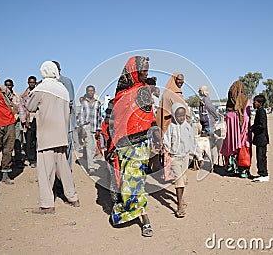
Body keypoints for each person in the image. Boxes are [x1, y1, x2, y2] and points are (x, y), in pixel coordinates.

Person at [109, 56, 161, 237]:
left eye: (148, 69)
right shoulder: (121, 95)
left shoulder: (144, 90)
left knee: (137, 181)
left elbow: (150, 117)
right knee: (127, 181)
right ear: (134, 71)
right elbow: (115, 121)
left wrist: (157, 134)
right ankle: (128, 210)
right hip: (124, 144)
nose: (146, 73)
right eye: (143, 70)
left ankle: (145, 218)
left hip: (141, 144)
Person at [26, 61, 79, 214]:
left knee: (45, 171)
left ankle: (47, 204)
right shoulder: (62, 89)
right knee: (63, 169)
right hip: (61, 135)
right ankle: (73, 197)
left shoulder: (41, 88)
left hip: (46, 137)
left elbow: (30, 107)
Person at [163, 103, 203, 218]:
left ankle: (181, 197)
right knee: (179, 180)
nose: (181, 118)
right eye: (179, 116)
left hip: (186, 157)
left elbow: (193, 143)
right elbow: (166, 141)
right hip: (175, 157)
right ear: (174, 115)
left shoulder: (187, 127)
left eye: (183, 116)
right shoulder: (171, 127)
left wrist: (199, 156)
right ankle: (179, 206)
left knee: (183, 180)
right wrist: (168, 150)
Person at [220, 80, 252, 178]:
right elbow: (246, 117)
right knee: (243, 146)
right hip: (242, 129)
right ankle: (242, 170)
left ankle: (230, 167)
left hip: (230, 133)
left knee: (230, 146)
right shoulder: (245, 100)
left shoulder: (229, 103)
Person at [52, 61, 75, 168]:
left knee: (66, 152)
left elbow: (69, 101)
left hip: (66, 124)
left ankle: (67, 176)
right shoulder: (47, 84)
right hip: (52, 125)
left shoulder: (66, 81)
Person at [79, 85, 102, 175]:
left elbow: (99, 117)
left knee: (93, 148)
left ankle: (91, 162)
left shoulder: (97, 103)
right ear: (86, 92)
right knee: (89, 146)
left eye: (92, 91)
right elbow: (81, 116)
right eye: (89, 91)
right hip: (87, 126)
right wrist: (83, 128)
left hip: (95, 127)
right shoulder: (84, 103)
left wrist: (99, 129)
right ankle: (91, 167)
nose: (90, 92)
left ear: (94, 91)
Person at [19, 76, 38, 168]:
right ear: (28, 83)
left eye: (33, 82)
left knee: (38, 140)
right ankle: (32, 159)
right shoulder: (23, 95)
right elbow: (22, 109)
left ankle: (38, 157)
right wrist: (24, 121)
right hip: (29, 120)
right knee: (30, 140)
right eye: (30, 82)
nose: (32, 84)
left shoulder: (38, 93)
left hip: (38, 118)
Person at [251, 95, 270, 182]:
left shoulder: (261, 112)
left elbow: (261, 126)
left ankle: (263, 174)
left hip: (261, 138)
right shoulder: (259, 111)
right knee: (260, 156)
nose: (254, 103)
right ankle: (261, 173)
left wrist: (252, 129)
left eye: (255, 102)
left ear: (260, 103)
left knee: (261, 157)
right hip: (260, 138)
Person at [4, 79, 22, 165]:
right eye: (6, 85)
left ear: (12, 86)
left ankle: (18, 159)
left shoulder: (17, 96)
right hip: (5, 122)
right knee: (7, 142)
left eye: (9, 85)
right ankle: (7, 161)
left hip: (16, 121)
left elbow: (18, 108)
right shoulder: (2, 96)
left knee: (17, 140)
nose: (8, 87)